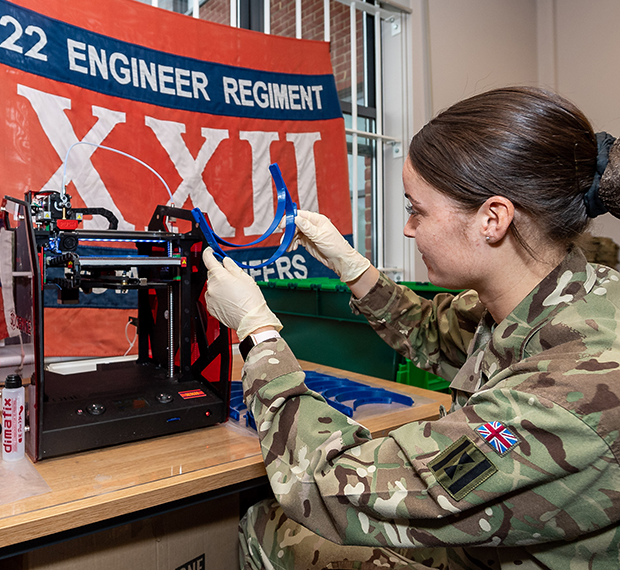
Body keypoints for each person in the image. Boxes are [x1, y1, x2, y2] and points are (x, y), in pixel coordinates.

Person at [202, 86, 620, 569]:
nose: (408, 228)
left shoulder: (566, 397)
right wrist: (351, 267)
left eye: (416, 210)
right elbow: (435, 331)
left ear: (493, 218)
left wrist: (258, 335)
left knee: (267, 526)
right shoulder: (573, 293)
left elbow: (333, 486)